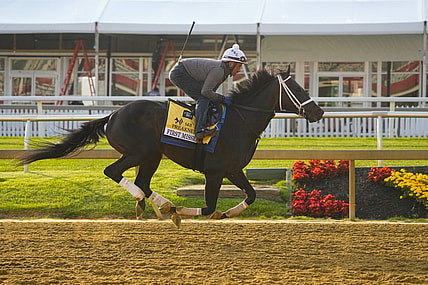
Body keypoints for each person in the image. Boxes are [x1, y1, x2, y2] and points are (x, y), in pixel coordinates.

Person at [169, 43, 247, 142]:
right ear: (231, 64)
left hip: (182, 70)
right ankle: (199, 131)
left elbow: (211, 93)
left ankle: (200, 122)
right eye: (239, 66)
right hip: (180, 72)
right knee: (203, 98)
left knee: (207, 99)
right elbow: (206, 92)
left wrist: (219, 99)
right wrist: (222, 99)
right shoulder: (219, 71)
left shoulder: (224, 72)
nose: (239, 70)